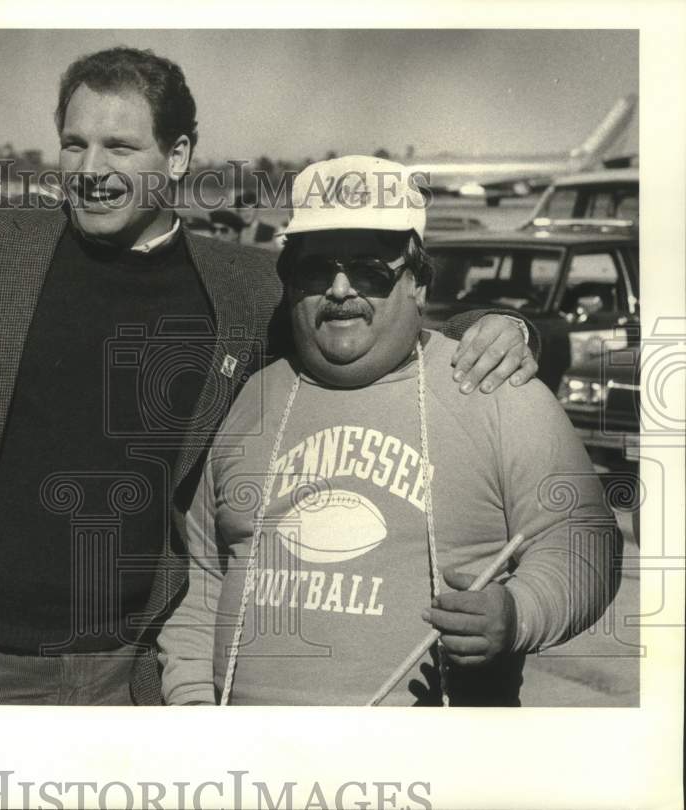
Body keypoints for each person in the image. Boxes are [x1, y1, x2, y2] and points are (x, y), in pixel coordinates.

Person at [0, 48, 539, 706]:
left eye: (120, 146)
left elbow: (368, 318)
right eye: (74, 145)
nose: (90, 172)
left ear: (179, 155)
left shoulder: (243, 289)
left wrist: (514, 325)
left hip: (134, 671)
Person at [157, 155, 620, 706]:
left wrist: (517, 613)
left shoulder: (494, 390)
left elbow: (584, 540)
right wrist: (190, 707)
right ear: (287, 279)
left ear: (419, 283)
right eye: (315, 268)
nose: (340, 288)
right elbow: (202, 583)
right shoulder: (246, 400)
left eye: (372, 270)